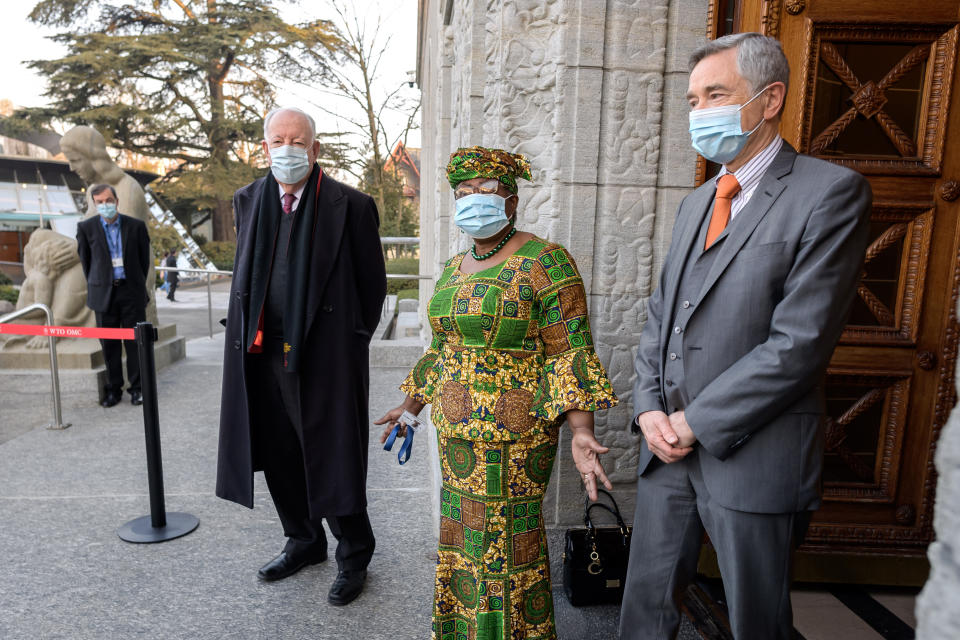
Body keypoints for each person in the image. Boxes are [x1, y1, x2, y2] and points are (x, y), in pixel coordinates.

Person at [619, 33, 872, 640]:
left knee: (758, 623)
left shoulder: (829, 193)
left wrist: (694, 421)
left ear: (769, 98)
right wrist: (649, 407)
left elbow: (800, 344)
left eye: (716, 95)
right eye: (691, 100)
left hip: (757, 453)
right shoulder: (697, 202)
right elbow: (662, 316)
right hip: (666, 451)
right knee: (643, 611)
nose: (699, 112)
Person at [377, 146, 618, 640]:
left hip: (516, 437)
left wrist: (581, 432)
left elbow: (569, 352)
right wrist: (411, 407)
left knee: (506, 545)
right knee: (463, 540)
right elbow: (443, 348)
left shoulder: (546, 262)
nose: (474, 200)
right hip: (457, 436)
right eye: (463, 192)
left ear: (511, 198)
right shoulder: (452, 267)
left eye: (486, 190)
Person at [216, 107, 387, 606]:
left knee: (332, 457)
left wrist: (350, 342)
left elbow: (371, 287)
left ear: (314, 149)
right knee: (280, 455)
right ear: (265, 146)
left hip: (324, 357)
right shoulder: (249, 199)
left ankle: (354, 554)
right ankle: (304, 541)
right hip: (262, 353)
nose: (287, 149)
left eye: (297, 141)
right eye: (277, 140)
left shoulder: (351, 205)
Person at [76, 184, 152, 408]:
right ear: (94, 204)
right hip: (104, 295)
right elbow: (86, 263)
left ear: (117, 201)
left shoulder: (136, 226)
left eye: (108, 200)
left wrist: (135, 283)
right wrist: (100, 283)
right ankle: (114, 390)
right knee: (109, 346)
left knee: (135, 344)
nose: (105, 205)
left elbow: (143, 261)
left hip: (131, 292)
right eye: (99, 202)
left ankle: (138, 389)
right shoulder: (86, 228)